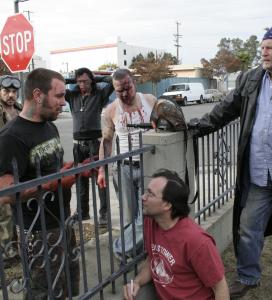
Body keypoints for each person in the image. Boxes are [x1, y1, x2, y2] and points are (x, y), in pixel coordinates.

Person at [189, 26, 272, 298]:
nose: (263, 51)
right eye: (262, 46)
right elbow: (225, 109)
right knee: (248, 228)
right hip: (258, 173)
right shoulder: (252, 79)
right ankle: (248, 276)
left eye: (270, 47)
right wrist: (196, 126)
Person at [0, 68, 79, 299]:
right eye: (59, 95)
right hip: (36, 231)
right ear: (37, 95)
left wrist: (64, 171)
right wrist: (53, 184)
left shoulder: (49, 125)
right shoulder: (10, 137)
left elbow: (48, 167)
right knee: (43, 291)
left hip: (62, 220)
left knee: (66, 286)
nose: (64, 102)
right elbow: (5, 192)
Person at [123, 169, 229, 300]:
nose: (143, 197)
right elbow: (154, 259)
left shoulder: (197, 241)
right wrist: (137, 282)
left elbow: (220, 288)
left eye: (150, 194)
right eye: (146, 191)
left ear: (167, 205)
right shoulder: (151, 222)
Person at [97, 68, 156, 258]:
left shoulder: (149, 100)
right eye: (119, 90)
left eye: (127, 88)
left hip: (148, 165)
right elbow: (106, 141)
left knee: (145, 214)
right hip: (124, 168)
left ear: (134, 83)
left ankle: (121, 249)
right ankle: (135, 252)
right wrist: (101, 170)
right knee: (129, 216)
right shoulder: (112, 109)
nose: (124, 93)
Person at [65, 67, 114, 224]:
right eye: (79, 82)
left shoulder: (99, 95)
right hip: (77, 145)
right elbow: (59, 81)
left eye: (85, 81)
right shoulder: (72, 96)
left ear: (91, 81)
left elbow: (112, 81)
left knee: (100, 180)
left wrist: (95, 79)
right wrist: (74, 80)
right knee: (80, 179)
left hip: (95, 143)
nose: (82, 85)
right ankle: (82, 212)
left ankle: (104, 214)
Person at [0, 75, 22, 268]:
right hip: (2, 167)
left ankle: (16, 247)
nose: (10, 95)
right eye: (7, 91)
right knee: (5, 212)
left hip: (19, 166)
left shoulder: (20, 109)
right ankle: (8, 253)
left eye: (14, 92)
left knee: (18, 208)